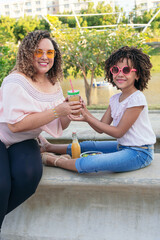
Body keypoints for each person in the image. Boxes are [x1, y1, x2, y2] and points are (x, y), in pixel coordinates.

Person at [0, 30, 82, 230]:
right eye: (39, 52)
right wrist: (57, 110)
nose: (45, 57)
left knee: (29, 176)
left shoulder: (54, 84)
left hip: (24, 140)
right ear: (28, 53)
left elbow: (60, 125)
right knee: (1, 186)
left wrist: (68, 111)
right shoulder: (15, 81)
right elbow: (15, 124)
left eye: (50, 53)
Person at [38, 46, 156, 173]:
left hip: (140, 153)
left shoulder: (137, 99)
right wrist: (85, 112)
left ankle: (56, 161)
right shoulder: (115, 99)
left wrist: (88, 117)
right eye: (116, 69)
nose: (120, 74)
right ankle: (48, 146)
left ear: (137, 74)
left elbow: (118, 132)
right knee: (88, 146)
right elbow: (101, 127)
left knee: (93, 162)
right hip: (122, 147)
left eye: (126, 70)